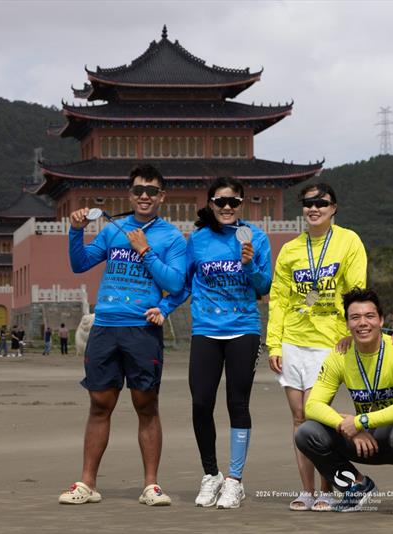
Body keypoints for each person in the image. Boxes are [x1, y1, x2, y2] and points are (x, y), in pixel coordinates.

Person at [58, 164, 186, 506]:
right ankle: (86, 483)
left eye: (152, 191)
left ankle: (151, 485)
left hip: (141, 329)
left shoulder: (171, 237)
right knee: (100, 404)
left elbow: (175, 283)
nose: (145, 196)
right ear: (130, 194)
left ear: (162, 197)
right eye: (139, 190)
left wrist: (145, 250)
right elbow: (80, 264)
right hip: (106, 325)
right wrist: (75, 232)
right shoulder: (114, 230)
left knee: (146, 405)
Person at [149, 177, 273, 509]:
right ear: (211, 204)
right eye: (221, 202)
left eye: (233, 202)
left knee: (238, 403)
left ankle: (234, 480)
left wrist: (248, 265)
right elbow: (184, 284)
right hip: (206, 329)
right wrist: (163, 309)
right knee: (201, 402)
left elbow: (264, 285)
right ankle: (211, 474)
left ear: (242, 204)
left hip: (243, 329)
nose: (227, 208)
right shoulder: (198, 240)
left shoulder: (256, 239)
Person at [267, 182, 368, 511]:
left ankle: (333, 488)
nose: (314, 208)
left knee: (317, 418)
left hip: (329, 342)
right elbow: (279, 300)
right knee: (298, 419)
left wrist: (350, 332)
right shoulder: (291, 249)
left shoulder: (348, 241)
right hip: (293, 342)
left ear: (333, 207)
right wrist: (274, 344)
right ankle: (308, 491)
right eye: (308, 203)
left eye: (321, 203)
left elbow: (356, 289)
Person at [296, 288, 393, 515]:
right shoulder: (340, 354)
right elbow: (312, 405)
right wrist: (346, 426)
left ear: (381, 320)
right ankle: (355, 486)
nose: (363, 323)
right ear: (347, 323)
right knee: (306, 432)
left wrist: (360, 421)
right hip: (361, 441)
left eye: (369, 316)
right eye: (355, 317)